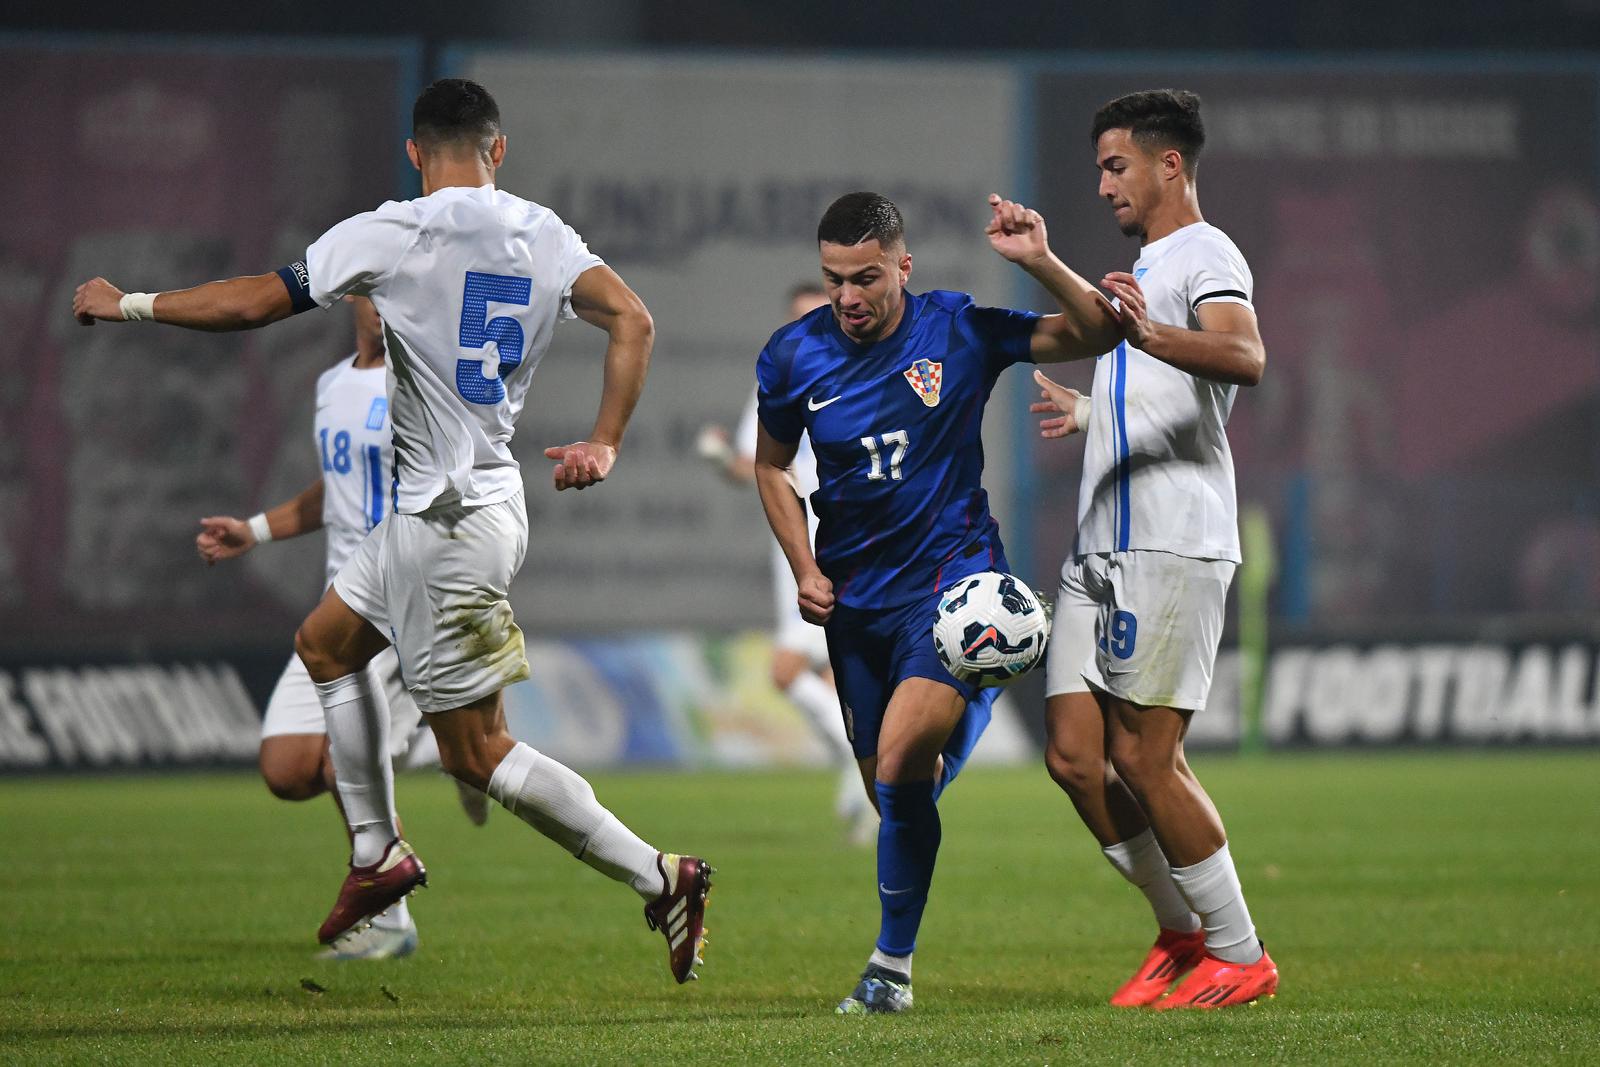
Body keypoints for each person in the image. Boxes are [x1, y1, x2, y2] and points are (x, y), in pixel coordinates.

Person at [73, 78, 712, 984]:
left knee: (477, 751)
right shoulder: (544, 232)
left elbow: (257, 301)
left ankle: (663, 874)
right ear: (500, 149)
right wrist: (604, 442)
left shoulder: (393, 229)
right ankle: (376, 852)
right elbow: (633, 320)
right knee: (326, 643)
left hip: (448, 523)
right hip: (458, 507)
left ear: (416, 154)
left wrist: (128, 302)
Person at [753, 191, 1120, 1014]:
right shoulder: (790, 357)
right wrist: (805, 566)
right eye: (834, 279)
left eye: (866, 277)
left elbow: (1094, 332)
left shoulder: (954, 329)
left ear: (903, 267)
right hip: (855, 603)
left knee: (896, 764)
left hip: (948, 585)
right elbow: (771, 468)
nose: (848, 296)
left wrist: (1038, 261)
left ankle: (890, 966)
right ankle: (977, 706)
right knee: (895, 791)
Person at [1026, 88, 1278, 1009]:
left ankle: (1241, 951)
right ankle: (1181, 932)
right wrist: (1092, 409)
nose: (1104, 186)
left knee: (1146, 758)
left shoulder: (1207, 253)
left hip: (1171, 542)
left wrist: (1147, 333)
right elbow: (1164, 402)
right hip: (1101, 543)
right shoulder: (1145, 266)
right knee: (1072, 756)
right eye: (1100, 167)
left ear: (1170, 164)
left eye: (1116, 165)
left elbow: (1243, 357)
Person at [195, 294, 488, 961]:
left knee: (339, 758)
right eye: (378, 291)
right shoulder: (332, 385)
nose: (394, 303)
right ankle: (451, 737)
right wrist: (257, 529)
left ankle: (391, 917)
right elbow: (336, 488)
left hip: (401, 599)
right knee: (288, 767)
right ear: (354, 295)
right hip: (338, 605)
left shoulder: (422, 381)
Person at [697, 282, 876, 845]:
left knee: (787, 670)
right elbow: (760, 464)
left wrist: (721, 454)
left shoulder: (802, 372)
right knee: (831, 673)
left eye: (814, 314)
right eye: (797, 315)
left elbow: (753, 464)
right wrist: (732, 458)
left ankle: (865, 763)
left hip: (818, 529)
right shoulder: (820, 368)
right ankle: (869, 771)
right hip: (838, 526)